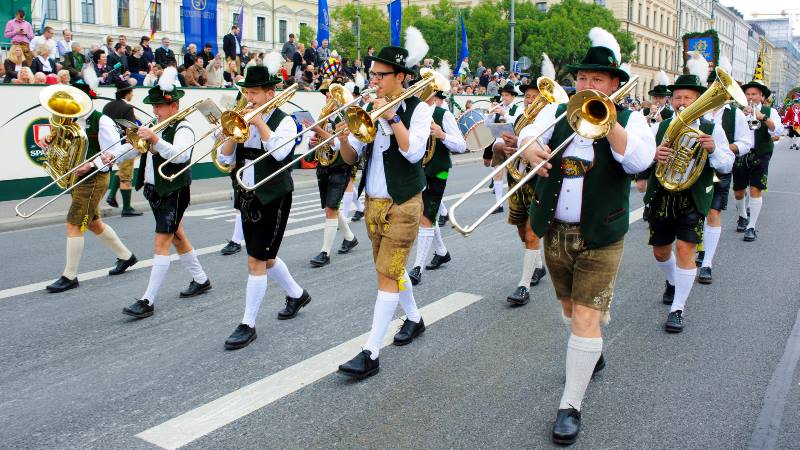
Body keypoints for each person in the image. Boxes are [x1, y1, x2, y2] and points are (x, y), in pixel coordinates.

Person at [519, 28, 655, 445]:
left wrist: (607, 119)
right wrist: (529, 149)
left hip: (600, 233)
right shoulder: (559, 111)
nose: (587, 86)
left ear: (615, 84)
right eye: (582, 79)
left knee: (584, 315)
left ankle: (570, 405)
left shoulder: (633, 120)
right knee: (568, 308)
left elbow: (640, 161)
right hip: (555, 230)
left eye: (597, 80)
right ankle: (589, 349)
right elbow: (527, 133)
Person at [333, 44, 432, 379]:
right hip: (372, 202)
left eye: (381, 74)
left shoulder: (419, 109)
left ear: (401, 76)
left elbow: (413, 152)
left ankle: (371, 351)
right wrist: (344, 139)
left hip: (404, 202)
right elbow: (350, 158)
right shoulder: (366, 107)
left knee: (386, 274)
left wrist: (392, 117)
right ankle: (415, 319)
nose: (373, 79)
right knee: (390, 267)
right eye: (372, 73)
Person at [216, 65, 312, 349]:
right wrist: (232, 134)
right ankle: (296, 294)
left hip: (273, 195)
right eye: (247, 92)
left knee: (256, 259)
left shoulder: (285, 121)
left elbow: (281, 153)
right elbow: (224, 159)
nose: (249, 98)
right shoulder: (243, 117)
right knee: (264, 257)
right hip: (247, 194)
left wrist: (259, 123)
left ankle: (248, 324)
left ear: (270, 93)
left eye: (254, 92)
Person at [645, 57, 734, 334]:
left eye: (688, 97)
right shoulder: (660, 125)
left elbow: (726, 164)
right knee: (661, 252)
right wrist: (654, 155)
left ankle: (678, 309)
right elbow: (641, 157)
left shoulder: (710, 127)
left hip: (692, 196)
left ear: (700, 100)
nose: (682, 102)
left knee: (685, 249)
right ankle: (673, 281)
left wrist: (713, 149)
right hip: (663, 195)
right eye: (678, 97)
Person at [44, 78, 138, 293]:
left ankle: (70, 275)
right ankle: (126, 256)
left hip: (95, 178)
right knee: (93, 222)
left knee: (74, 223)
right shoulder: (69, 120)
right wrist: (51, 143)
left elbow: (116, 151)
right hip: (77, 178)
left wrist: (91, 164)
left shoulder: (101, 120)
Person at [695, 61, 753, 283]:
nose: (715, 90)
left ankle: (707, 262)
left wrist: (722, 149)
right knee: (696, 213)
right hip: (695, 168)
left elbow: (746, 142)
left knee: (713, 212)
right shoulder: (698, 108)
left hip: (718, 165)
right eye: (713, 86)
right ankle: (700, 248)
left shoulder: (735, 114)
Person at [407, 90, 466, 285]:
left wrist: (441, 134)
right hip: (416, 170)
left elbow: (461, 145)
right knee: (424, 216)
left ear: (433, 96)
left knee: (425, 217)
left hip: (438, 170)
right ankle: (441, 252)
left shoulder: (443, 114)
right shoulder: (413, 112)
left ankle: (417, 268)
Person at [500, 81, 547, 305]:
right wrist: (505, 147)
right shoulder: (519, 119)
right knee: (521, 231)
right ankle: (538, 266)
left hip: (537, 181)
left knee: (531, 233)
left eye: (535, 97)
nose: (530, 100)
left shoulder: (550, 123)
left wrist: (521, 145)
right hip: (516, 179)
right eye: (527, 96)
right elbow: (503, 147)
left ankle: (523, 286)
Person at [304, 79, 360, 268]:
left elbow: (339, 142)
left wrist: (318, 130)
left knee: (330, 208)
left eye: (329, 94)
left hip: (340, 165)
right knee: (331, 207)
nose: (327, 97)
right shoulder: (325, 116)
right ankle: (350, 238)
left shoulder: (345, 117)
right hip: (324, 165)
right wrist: (313, 141)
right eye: (325, 94)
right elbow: (320, 140)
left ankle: (325, 252)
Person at [732, 71, 783, 241]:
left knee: (756, 188)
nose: (750, 97)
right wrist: (742, 115)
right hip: (741, 153)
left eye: (754, 94)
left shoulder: (769, 111)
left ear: (762, 96)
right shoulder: (738, 111)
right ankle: (742, 216)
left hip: (761, 153)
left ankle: (751, 226)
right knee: (739, 191)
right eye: (747, 94)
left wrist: (763, 117)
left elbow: (777, 131)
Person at [635, 70, 673, 219]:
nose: (657, 100)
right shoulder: (644, 110)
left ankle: (650, 205)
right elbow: (638, 126)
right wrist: (648, 116)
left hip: (661, 148)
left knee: (655, 181)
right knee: (641, 185)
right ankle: (649, 204)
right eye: (655, 97)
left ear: (665, 99)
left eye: (660, 97)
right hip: (647, 148)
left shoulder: (670, 113)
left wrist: (659, 120)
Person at [104, 79, 144, 217]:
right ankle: (126, 207)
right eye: (131, 92)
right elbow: (132, 129)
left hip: (110, 146)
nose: (132, 95)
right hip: (125, 146)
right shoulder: (127, 108)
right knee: (126, 176)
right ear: (127, 94)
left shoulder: (108, 106)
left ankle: (111, 195)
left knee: (121, 172)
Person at [486, 83, 521, 214]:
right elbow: (487, 125)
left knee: (513, 174)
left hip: (512, 144)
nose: (504, 98)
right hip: (498, 144)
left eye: (506, 95)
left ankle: (516, 201)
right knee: (497, 172)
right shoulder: (498, 108)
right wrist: (490, 114)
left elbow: (516, 122)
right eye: (502, 95)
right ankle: (498, 203)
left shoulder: (517, 109)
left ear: (512, 96)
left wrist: (504, 113)